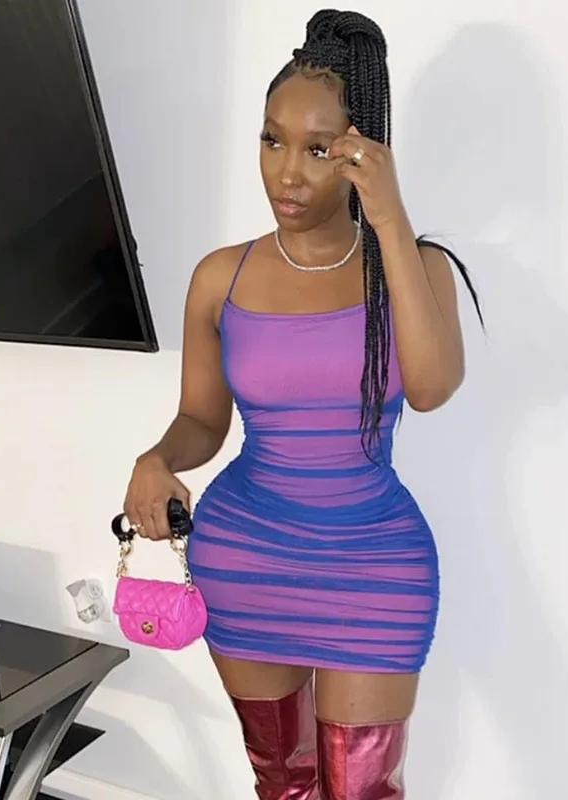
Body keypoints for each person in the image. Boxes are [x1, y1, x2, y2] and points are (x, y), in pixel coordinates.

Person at [123, 9, 481, 799]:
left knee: (361, 791)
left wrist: (388, 218)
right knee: (281, 783)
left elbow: (431, 388)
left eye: (318, 150)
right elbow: (203, 419)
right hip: (245, 554)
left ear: (361, 155)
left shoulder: (415, 268)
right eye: (272, 140)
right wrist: (158, 458)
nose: (286, 173)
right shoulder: (221, 277)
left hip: (374, 564)